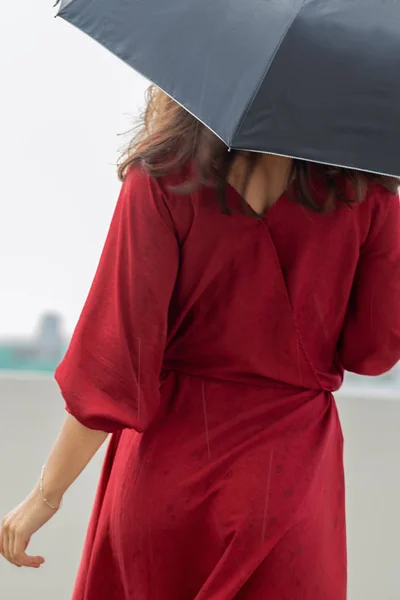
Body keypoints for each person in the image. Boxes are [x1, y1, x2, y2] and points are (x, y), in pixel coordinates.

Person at [1, 85, 400, 600]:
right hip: (289, 484)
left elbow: (113, 362)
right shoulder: (365, 195)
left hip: (166, 477)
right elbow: (374, 351)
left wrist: (45, 496)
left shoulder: (163, 179)